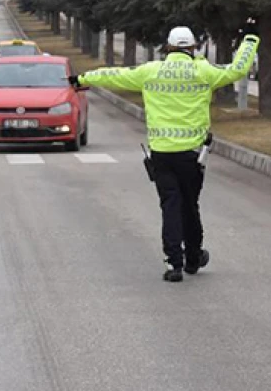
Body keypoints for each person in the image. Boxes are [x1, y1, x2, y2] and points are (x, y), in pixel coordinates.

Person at [71, 24, 259, 283]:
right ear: (193, 48)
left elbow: (115, 74)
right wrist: (250, 39)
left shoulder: (151, 71)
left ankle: (174, 264)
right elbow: (237, 70)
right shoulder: (202, 71)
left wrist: (82, 79)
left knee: (170, 206)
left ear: (169, 47)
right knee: (190, 206)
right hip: (192, 155)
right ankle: (193, 258)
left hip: (161, 154)